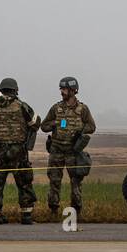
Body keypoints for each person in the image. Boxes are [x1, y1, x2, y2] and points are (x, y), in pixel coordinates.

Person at [0, 77, 41, 224]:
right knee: (24, 182)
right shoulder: (22, 106)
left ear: (2, 90)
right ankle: (27, 216)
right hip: (18, 151)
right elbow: (35, 123)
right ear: (15, 90)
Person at [41, 76, 96, 221]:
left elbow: (92, 127)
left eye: (64, 89)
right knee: (54, 181)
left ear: (73, 90)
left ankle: (76, 212)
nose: (62, 92)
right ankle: (53, 211)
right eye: (61, 89)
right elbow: (44, 126)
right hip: (56, 151)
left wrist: (80, 129)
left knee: (76, 182)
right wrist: (53, 124)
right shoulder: (56, 108)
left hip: (73, 152)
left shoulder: (82, 109)